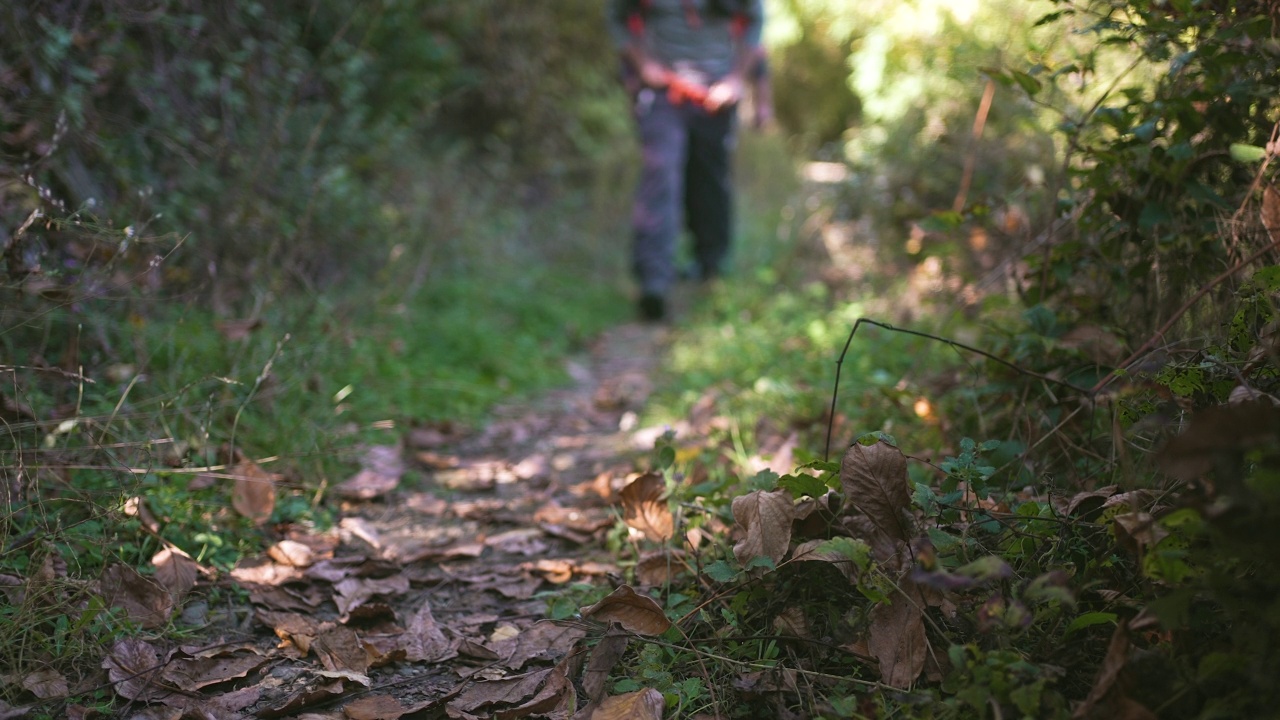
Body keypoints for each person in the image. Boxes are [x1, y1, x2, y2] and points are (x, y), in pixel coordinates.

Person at [607, 0, 765, 321]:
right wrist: (642, 63)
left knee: (709, 182)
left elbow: (755, 26)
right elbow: (617, 16)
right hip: (663, 94)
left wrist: (736, 79)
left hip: (716, 99)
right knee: (661, 174)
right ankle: (653, 282)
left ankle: (712, 269)